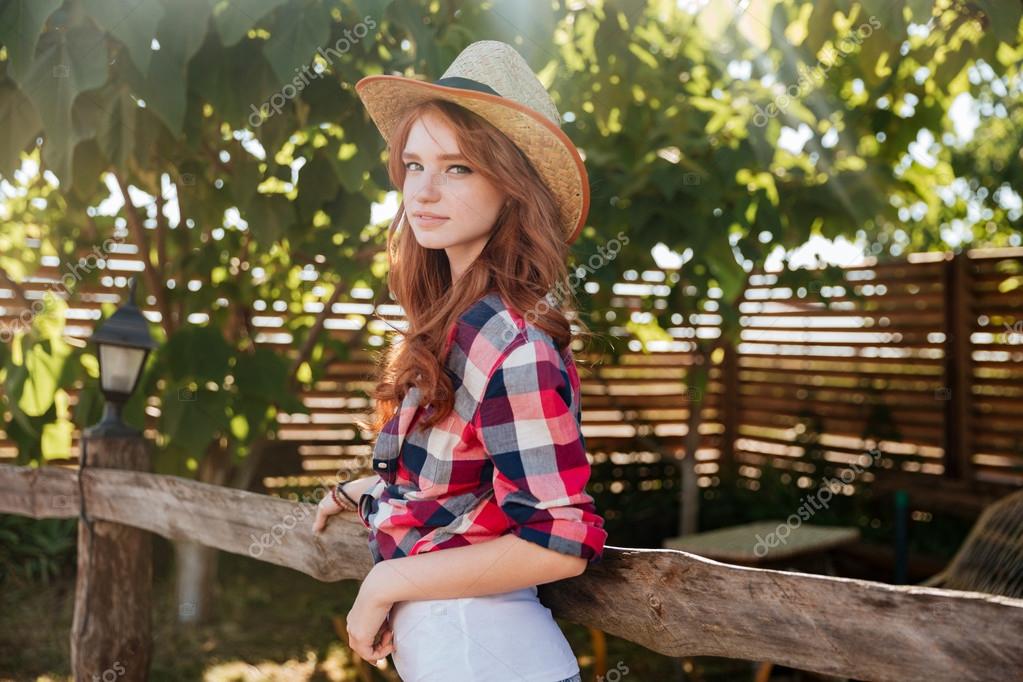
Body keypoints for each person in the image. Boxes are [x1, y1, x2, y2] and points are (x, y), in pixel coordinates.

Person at [311, 40, 607, 682]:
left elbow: (559, 539)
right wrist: (365, 493)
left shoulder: (515, 345)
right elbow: (457, 496)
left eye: (459, 168)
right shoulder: (451, 327)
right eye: (414, 165)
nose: (424, 191)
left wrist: (386, 580)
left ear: (513, 185)